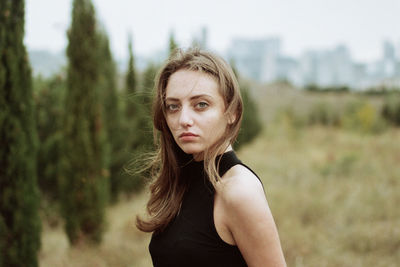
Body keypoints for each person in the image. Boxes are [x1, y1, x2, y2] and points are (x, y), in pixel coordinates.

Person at [136, 48, 286, 267]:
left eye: (201, 105)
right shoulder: (184, 178)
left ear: (231, 112)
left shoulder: (238, 191)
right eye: (173, 106)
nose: (184, 119)